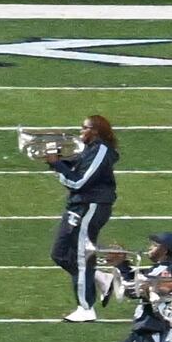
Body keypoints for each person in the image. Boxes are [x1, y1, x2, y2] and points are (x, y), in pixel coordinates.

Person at [43, 116, 118, 318]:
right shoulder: (89, 149)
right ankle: (101, 278)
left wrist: (57, 164)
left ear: (95, 131)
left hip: (91, 206)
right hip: (77, 205)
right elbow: (74, 171)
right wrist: (56, 161)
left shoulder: (102, 150)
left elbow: (79, 182)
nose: (80, 131)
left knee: (81, 255)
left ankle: (86, 308)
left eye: (84, 128)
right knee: (59, 253)